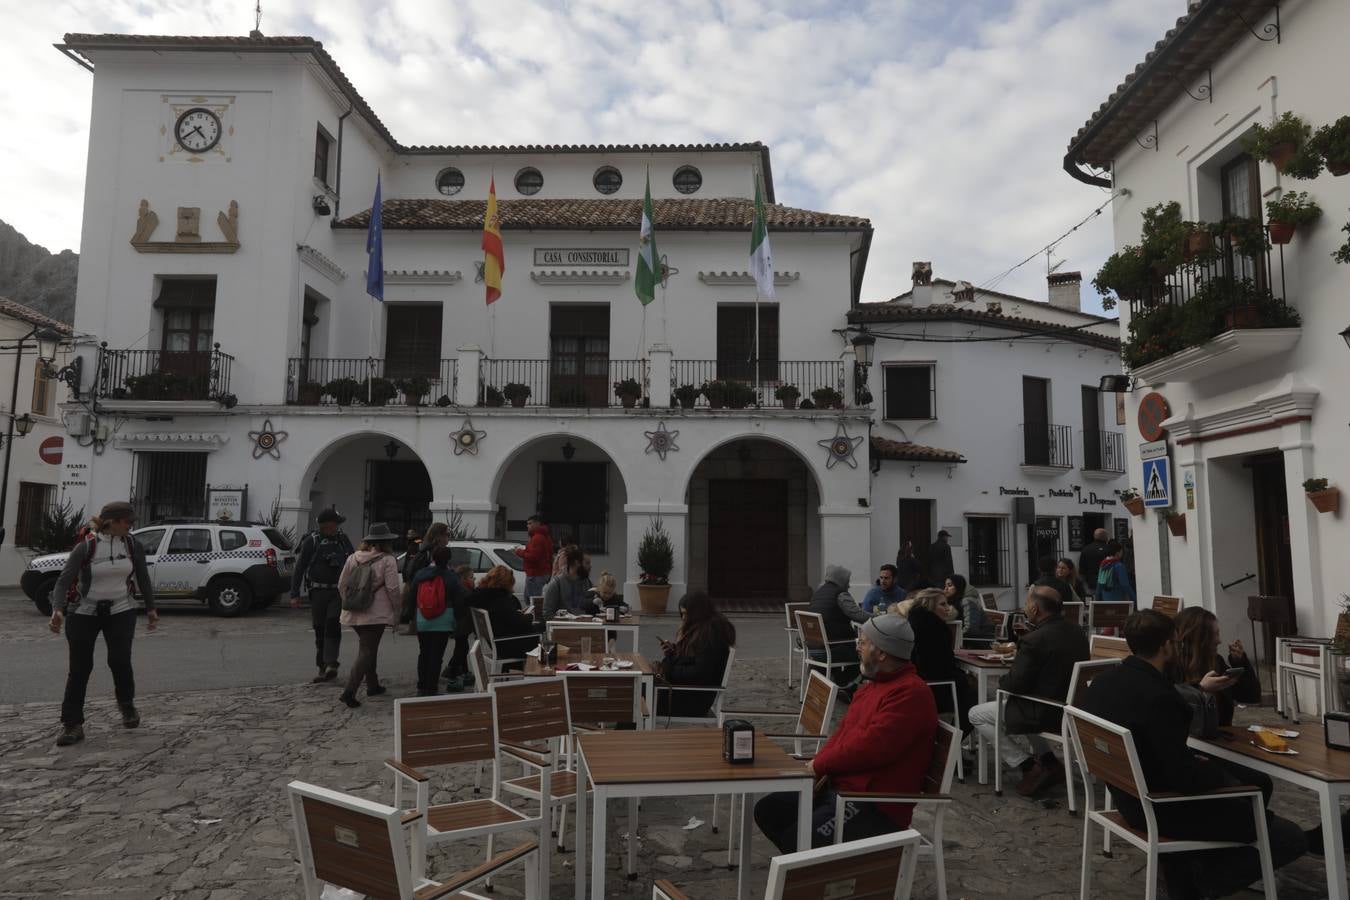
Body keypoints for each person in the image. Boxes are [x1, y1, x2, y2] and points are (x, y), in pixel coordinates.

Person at [1081, 610, 1306, 899]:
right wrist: (1209, 769)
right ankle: (1201, 883)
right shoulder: (1160, 697)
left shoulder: (1103, 681)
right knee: (1287, 836)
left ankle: (1186, 871)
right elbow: (1183, 778)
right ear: (1165, 646)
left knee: (1252, 790)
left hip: (1128, 794)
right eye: (1175, 643)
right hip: (1160, 806)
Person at [753, 615, 937, 852]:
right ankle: (815, 870)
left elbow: (870, 748)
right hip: (841, 787)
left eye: (863, 642)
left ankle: (819, 875)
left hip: (875, 803)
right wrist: (816, 766)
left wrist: (819, 766)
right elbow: (844, 734)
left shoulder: (910, 694)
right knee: (769, 810)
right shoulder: (873, 686)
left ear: (881, 653)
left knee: (798, 839)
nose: (857, 647)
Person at [49, 501, 159, 747]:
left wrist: (151, 608)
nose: (132, 525)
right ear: (113, 522)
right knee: (80, 668)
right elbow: (63, 582)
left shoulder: (132, 545)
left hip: (121, 609)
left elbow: (142, 577)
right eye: (128, 521)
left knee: (119, 660)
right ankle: (72, 725)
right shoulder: (86, 548)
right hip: (84, 613)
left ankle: (127, 705)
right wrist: (57, 609)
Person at [968, 577, 1088, 797]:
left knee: (976, 714)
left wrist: (1006, 678)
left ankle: (1026, 765)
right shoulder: (1078, 633)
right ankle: (1049, 761)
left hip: (1044, 711)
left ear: (1034, 608)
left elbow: (1015, 684)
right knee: (1018, 705)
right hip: (1072, 710)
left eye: (1026, 604)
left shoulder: (1035, 639)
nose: (1024, 608)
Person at [336, 523, 401, 708]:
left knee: (368, 648)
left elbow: (341, 584)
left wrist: (350, 602)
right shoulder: (388, 560)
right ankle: (350, 691)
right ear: (387, 542)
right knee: (366, 650)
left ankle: (373, 684)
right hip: (376, 614)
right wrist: (397, 610)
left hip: (353, 613)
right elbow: (393, 589)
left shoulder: (353, 558)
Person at [1169, 606, 1259, 734]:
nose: (1219, 641)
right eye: (1214, 634)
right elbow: (1170, 709)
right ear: (1199, 638)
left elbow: (1251, 696)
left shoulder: (1216, 662)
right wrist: (1200, 689)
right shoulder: (1171, 667)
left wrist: (1240, 662)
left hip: (1219, 740)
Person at [896, 588, 975, 732]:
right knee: (974, 699)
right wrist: (964, 676)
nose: (947, 608)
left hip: (917, 681)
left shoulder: (914, 622)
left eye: (947, 604)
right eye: (942, 605)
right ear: (929, 606)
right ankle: (952, 744)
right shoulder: (935, 628)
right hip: (936, 686)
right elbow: (939, 666)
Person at [290, 507, 355, 683]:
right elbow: (300, 567)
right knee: (319, 628)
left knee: (333, 623)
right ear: (327, 525)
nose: (336, 527)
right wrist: (294, 593)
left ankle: (332, 663)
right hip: (317, 591)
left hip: (337, 591)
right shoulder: (312, 541)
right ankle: (322, 667)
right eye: (334, 524)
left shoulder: (343, 539)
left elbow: (353, 561)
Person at [656, 591, 736, 718]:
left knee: (638, 696)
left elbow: (700, 672)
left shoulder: (711, 635)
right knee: (637, 693)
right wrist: (674, 651)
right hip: (686, 693)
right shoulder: (703, 630)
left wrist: (670, 668)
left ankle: (623, 735)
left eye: (686, 614)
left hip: (690, 699)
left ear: (697, 613)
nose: (683, 618)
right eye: (682, 614)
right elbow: (693, 659)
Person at [410, 546, 465, 696]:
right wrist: (458, 620)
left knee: (424, 653)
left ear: (433, 558)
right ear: (448, 559)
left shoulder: (421, 574)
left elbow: (412, 595)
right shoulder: (451, 576)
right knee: (436, 655)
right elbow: (459, 600)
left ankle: (421, 687)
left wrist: (411, 616)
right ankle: (431, 687)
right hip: (443, 620)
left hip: (423, 618)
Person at [466, 564, 538, 667]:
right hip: (508, 645)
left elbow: (505, 618)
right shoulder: (500, 600)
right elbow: (519, 622)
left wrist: (518, 614)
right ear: (505, 584)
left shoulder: (483, 597)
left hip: (498, 643)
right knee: (543, 635)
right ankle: (539, 675)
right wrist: (529, 616)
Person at [807, 565, 868, 684]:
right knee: (865, 653)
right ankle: (846, 685)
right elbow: (859, 616)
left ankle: (837, 681)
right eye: (847, 581)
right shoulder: (840, 594)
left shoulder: (818, 593)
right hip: (830, 649)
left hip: (813, 649)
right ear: (841, 580)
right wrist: (882, 617)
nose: (849, 585)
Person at [401, 522, 448, 632]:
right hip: (429, 596)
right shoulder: (430, 551)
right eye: (446, 534)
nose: (448, 538)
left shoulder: (424, 548)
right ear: (438, 536)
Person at [513, 515, 553, 603]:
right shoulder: (546, 537)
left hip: (535, 573)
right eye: (527, 524)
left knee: (533, 602)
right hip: (541, 572)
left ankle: (534, 617)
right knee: (530, 600)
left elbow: (534, 557)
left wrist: (518, 551)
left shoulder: (537, 538)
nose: (528, 526)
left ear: (537, 524)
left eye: (530, 523)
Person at [542, 546, 589, 619]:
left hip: (586, 626)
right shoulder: (556, 583)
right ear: (577, 563)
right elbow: (547, 613)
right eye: (587, 563)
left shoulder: (587, 582)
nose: (590, 566)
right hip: (564, 627)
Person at [946, 574, 990, 641]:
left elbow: (971, 629)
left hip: (980, 639)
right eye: (945, 586)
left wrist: (954, 637)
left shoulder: (968, 601)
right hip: (965, 638)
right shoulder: (954, 600)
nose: (946, 589)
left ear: (958, 586)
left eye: (949, 585)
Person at [1094, 539, 1136, 606]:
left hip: (1106, 598)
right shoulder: (1119, 566)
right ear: (1117, 553)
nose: (1122, 553)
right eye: (1121, 551)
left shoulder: (1103, 564)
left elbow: (1099, 583)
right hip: (1119, 599)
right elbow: (1125, 584)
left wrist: (1097, 599)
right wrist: (1134, 598)